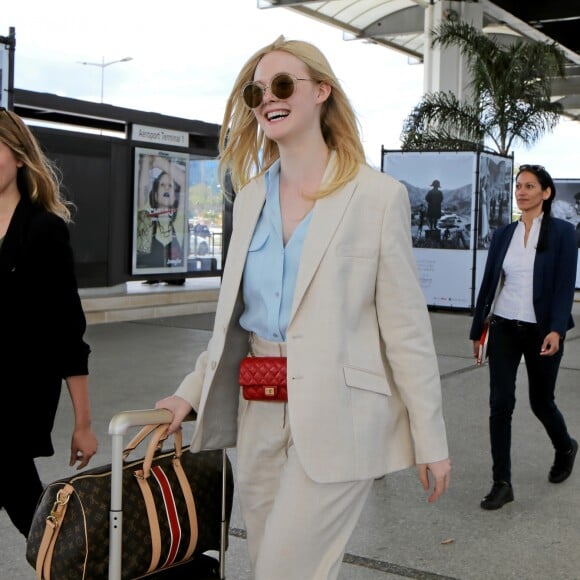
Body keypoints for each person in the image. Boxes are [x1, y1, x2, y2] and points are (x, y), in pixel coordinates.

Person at [155, 36, 451, 580]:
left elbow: (406, 330)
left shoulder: (377, 196)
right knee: (273, 563)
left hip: (342, 416)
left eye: (284, 84)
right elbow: (233, 324)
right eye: (256, 91)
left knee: (284, 571)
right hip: (260, 408)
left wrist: (431, 440)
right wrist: (186, 394)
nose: (269, 97)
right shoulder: (248, 199)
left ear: (321, 91)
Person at [0, 107, 98, 537]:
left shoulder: (43, 230)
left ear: (19, 157)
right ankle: (76, 553)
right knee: (26, 503)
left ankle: (75, 552)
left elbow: (66, 332)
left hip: (17, 395)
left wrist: (84, 423)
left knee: (24, 499)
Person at [470, 164, 578, 511]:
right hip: (503, 327)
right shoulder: (504, 234)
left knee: (541, 401)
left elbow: (564, 286)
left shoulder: (563, 233)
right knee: (500, 404)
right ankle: (502, 482)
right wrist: (478, 331)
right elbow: (489, 285)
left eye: (530, 186)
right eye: (519, 185)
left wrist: (556, 329)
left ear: (546, 193)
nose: (522, 191)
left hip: (541, 330)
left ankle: (565, 447)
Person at [136, 154, 186, 270]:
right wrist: (148, 160)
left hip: (174, 281)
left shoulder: (178, 223)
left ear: (174, 197)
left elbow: (184, 180)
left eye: (170, 186)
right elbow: (142, 185)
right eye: (162, 185)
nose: (167, 188)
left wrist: (159, 162)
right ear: (155, 194)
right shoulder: (146, 215)